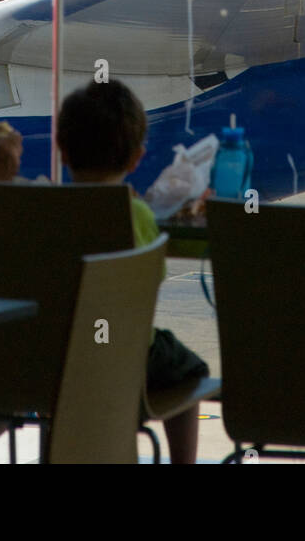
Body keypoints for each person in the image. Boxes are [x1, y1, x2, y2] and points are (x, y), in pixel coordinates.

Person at [56, 78, 210, 465]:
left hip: (56, 362)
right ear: (135, 158)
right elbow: (151, 278)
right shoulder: (137, 215)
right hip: (126, 363)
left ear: (62, 151)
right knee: (192, 369)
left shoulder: (48, 208)